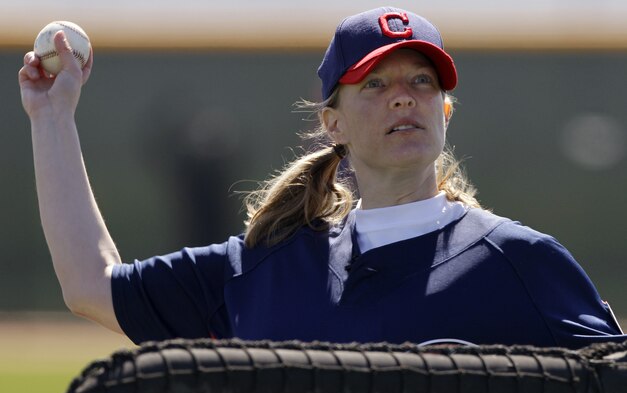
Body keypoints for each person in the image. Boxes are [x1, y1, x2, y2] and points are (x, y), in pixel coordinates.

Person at [19, 7, 625, 351]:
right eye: (376, 84)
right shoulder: (264, 267)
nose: (402, 99)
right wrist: (52, 116)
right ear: (331, 121)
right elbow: (90, 286)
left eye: (422, 83)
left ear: (445, 112)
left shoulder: (519, 263)